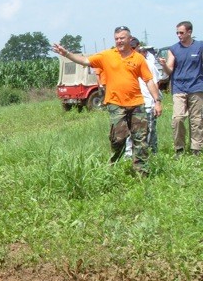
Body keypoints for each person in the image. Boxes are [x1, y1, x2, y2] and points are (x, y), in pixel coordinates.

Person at [52, 26, 163, 176]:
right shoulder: (107, 55)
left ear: (130, 39)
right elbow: (85, 61)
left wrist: (157, 101)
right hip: (116, 104)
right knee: (118, 138)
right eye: (116, 38)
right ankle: (113, 164)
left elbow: (149, 81)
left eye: (122, 38)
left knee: (140, 139)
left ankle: (141, 172)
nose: (119, 41)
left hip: (137, 104)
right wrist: (67, 54)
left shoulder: (138, 58)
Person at [158, 21, 203, 157]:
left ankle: (197, 149)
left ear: (189, 32)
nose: (179, 35)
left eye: (181, 32)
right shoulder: (173, 49)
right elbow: (169, 70)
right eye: (177, 33)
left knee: (197, 120)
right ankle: (179, 148)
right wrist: (164, 65)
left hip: (196, 86)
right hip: (179, 88)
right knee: (178, 118)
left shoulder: (199, 46)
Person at [125, 37, 162, 156]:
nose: (131, 49)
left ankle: (152, 155)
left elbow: (156, 83)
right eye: (129, 47)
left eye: (133, 47)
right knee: (131, 132)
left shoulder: (148, 64)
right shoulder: (123, 64)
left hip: (147, 103)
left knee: (150, 131)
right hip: (131, 104)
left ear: (138, 47)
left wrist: (157, 102)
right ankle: (129, 157)